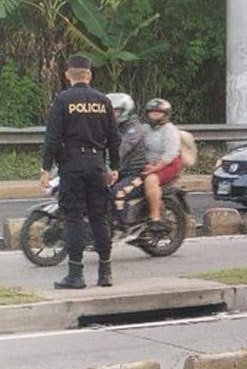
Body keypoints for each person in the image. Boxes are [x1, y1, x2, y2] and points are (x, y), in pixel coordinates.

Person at [40, 55, 121, 289]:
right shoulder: (103, 101)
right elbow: (114, 138)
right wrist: (114, 167)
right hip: (97, 164)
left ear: (68, 74)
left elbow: (52, 137)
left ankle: (75, 274)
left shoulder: (63, 100)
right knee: (99, 217)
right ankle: (105, 273)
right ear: (89, 75)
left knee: (74, 217)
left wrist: (46, 168)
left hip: (72, 164)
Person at [106, 93, 148, 232]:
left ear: (126, 110)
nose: (113, 114)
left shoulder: (134, 129)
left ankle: (123, 228)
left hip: (136, 173)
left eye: (116, 111)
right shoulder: (113, 127)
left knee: (117, 193)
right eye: (110, 111)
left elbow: (120, 150)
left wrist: (106, 162)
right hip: (121, 172)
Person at [140, 98, 183, 233]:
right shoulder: (145, 129)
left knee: (151, 180)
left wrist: (155, 168)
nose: (154, 115)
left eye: (158, 113)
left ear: (165, 115)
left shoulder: (169, 130)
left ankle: (155, 218)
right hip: (149, 164)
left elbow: (170, 154)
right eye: (152, 112)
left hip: (168, 164)